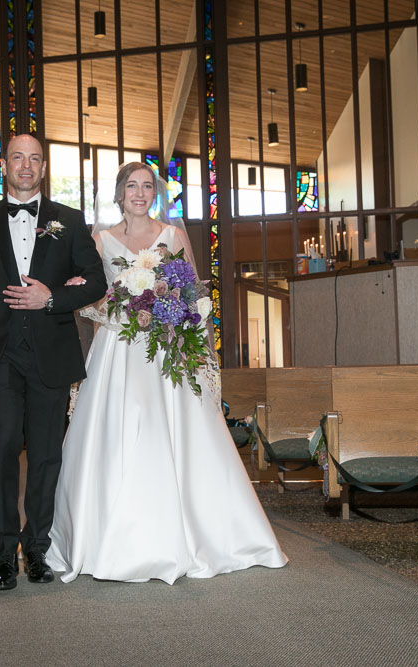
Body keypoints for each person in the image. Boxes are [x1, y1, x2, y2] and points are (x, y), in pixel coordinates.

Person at [45, 162, 288, 584]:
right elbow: (84, 298)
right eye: (131, 186)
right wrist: (118, 309)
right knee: (116, 435)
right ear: (119, 194)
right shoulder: (99, 242)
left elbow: (191, 294)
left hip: (165, 352)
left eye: (146, 187)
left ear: (154, 194)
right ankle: (105, 537)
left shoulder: (173, 236)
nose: (139, 193)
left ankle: (196, 534)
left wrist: (173, 318)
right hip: (117, 351)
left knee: (173, 435)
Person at [0, 133, 107, 591]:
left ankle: (36, 550)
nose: (26, 166)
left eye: (34, 159)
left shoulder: (70, 220)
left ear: (43, 168)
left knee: (45, 455)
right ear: (5, 167)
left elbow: (97, 281)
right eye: (17, 157)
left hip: (51, 354)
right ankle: (3, 555)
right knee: (1, 449)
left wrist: (52, 297)